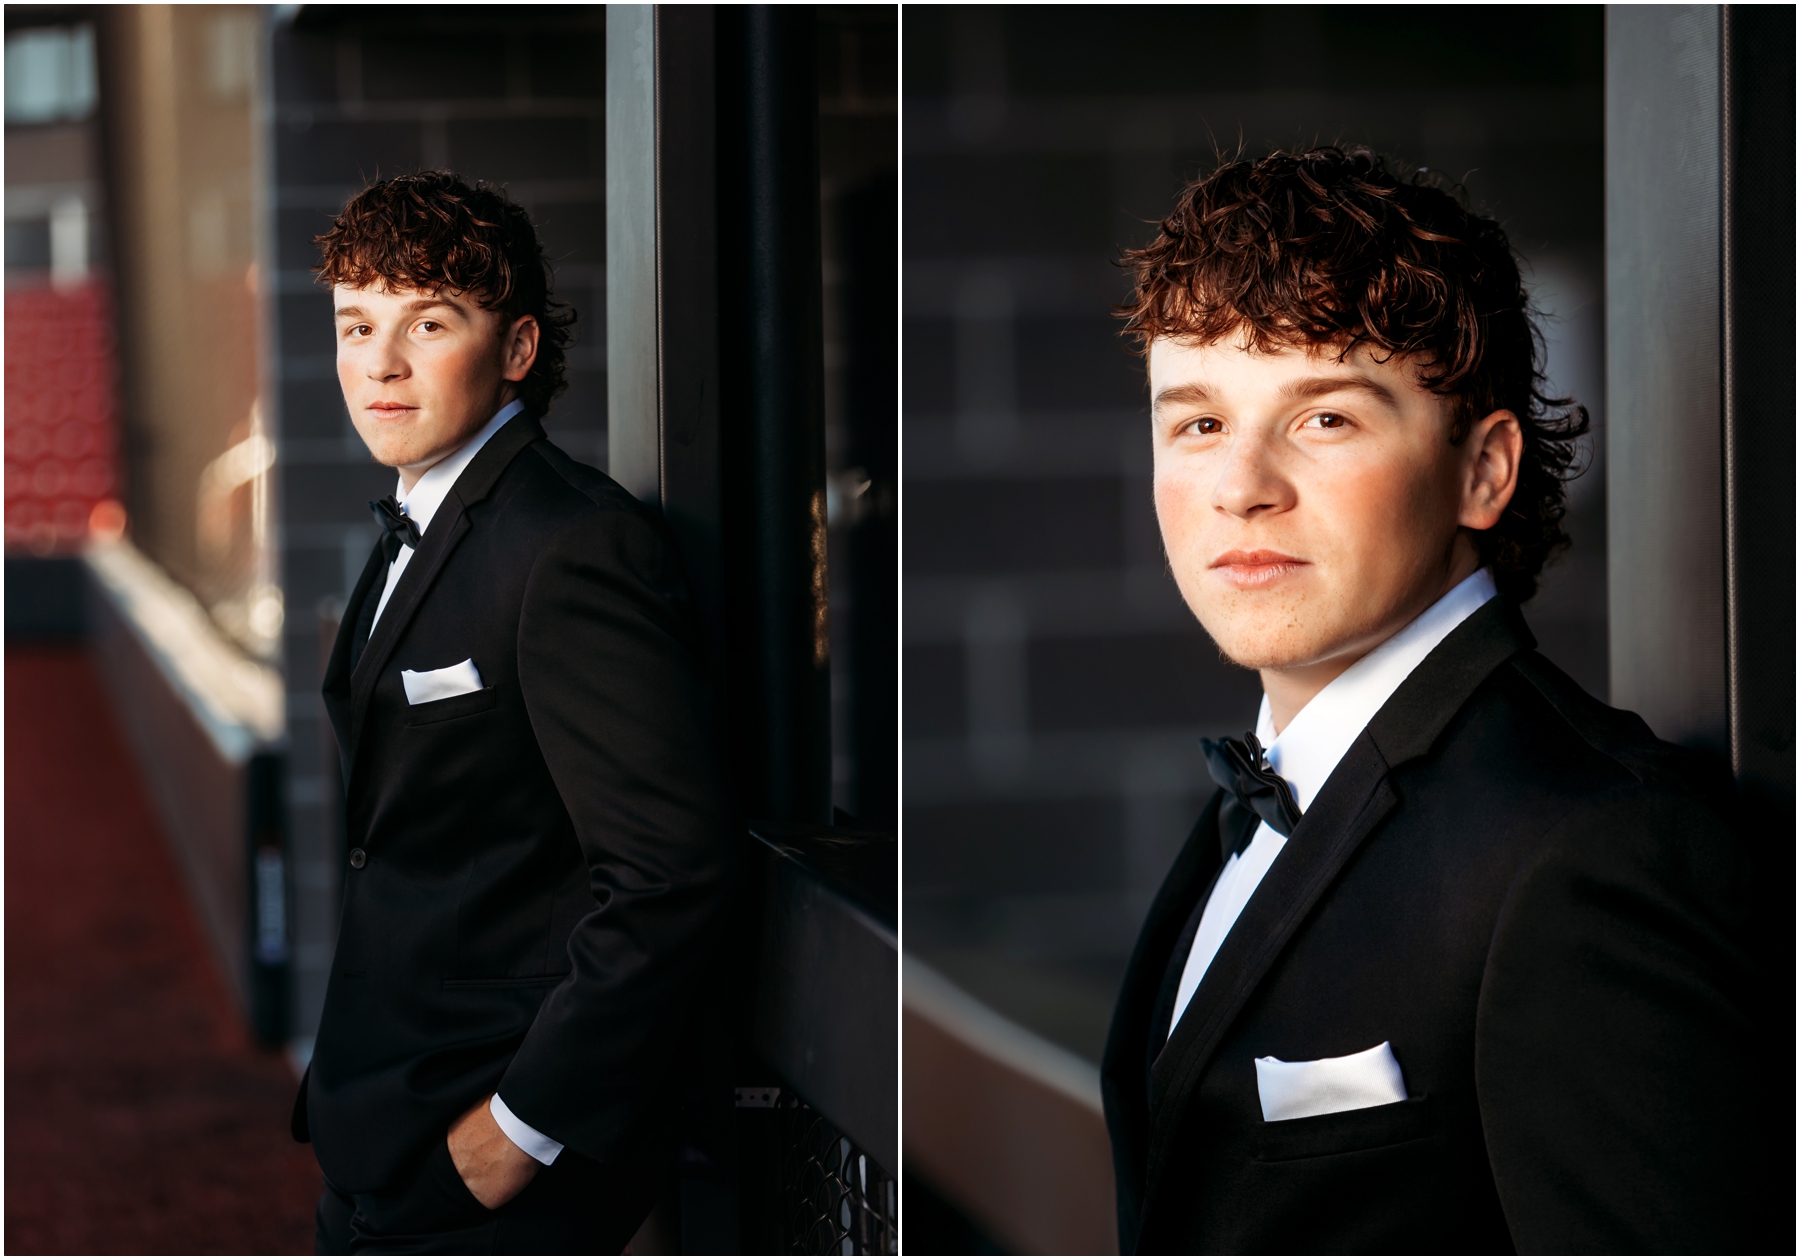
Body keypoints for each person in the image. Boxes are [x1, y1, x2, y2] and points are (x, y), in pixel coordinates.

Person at [1101, 147, 1757, 1254]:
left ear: (1483, 471)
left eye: (1326, 419)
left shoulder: (1594, 849)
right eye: (1200, 422)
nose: (1241, 485)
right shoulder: (1267, 795)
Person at [290, 171, 734, 1254]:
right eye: (357, 325)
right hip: (384, 1114)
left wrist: (518, 1134)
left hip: (491, 1140)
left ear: (519, 350)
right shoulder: (422, 516)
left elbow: (672, 872)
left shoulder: (572, 545)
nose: (379, 364)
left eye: (428, 323)